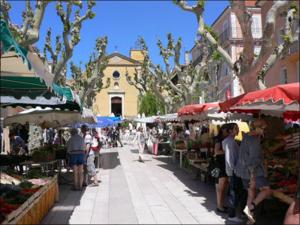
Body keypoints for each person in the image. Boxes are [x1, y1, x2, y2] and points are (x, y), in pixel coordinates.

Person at [235, 119, 272, 224]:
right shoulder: (254, 141)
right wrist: (253, 178)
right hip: (252, 172)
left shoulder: (246, 136)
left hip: (242, 171)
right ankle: (250, 207)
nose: (266, 130)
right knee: (267, 190)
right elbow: (253, 162)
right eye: (264, 128)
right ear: (258, 128)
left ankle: (250, 220)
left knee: (251, 194)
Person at [222, 123, 244, 223]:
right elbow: (229, 158)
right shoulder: (230, 142)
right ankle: (231, 215)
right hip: (234, 171)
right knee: (233, 193)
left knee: (234, 192)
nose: (238, 129)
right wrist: (233, 171)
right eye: (236, 128)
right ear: (230, 131)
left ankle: (234, 213)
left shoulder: (230, 141)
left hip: (234, 171)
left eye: (237, 128)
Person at [213, 124, 229, 213]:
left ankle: (221, 204)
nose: (229, 132)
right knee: (220, 187)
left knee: (224, 186)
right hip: (219, 164)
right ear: (223, 130)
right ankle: (219, 206)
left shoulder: (226, 139)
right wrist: (228, 151)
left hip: (224, 164)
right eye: (228, 130)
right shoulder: (218, 139)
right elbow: (216, 152)